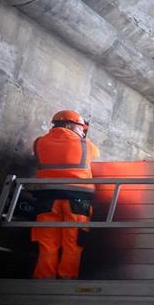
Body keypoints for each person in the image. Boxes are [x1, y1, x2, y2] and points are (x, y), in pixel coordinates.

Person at [31, 109, 101, 279]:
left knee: (47, 241)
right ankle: (66, 279)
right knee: (73, 242)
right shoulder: (86, 145)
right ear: (71, 125)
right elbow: (97, 157)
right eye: (80, 128)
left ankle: (43, 279)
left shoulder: (39, 143)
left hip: (47, 199)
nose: (82, 132)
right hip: (78, 199)